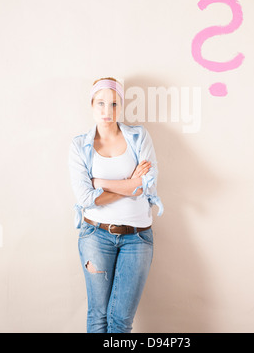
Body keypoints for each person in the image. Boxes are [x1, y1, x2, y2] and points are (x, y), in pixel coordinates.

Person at [68, 77, 163, 333]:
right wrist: (129, 182)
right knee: (98, 317)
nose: (107, 111)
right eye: (101, 103)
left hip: (137, 239)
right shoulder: (79, 146)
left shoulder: (138, 136)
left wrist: (99, 182)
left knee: (121, 321)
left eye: (113, 104)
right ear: (91, 105)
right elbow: (86, 199)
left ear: (120, 106)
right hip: (96, 236)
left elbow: (146, 187)